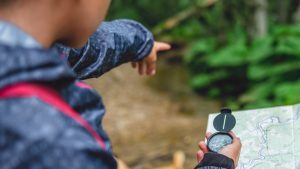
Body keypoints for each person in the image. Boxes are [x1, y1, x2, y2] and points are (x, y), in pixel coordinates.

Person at [0, 0, 241, 168]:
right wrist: (217, 165)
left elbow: (90, 48)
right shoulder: (56, 141)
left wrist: (139, 42)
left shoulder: (30, 46)